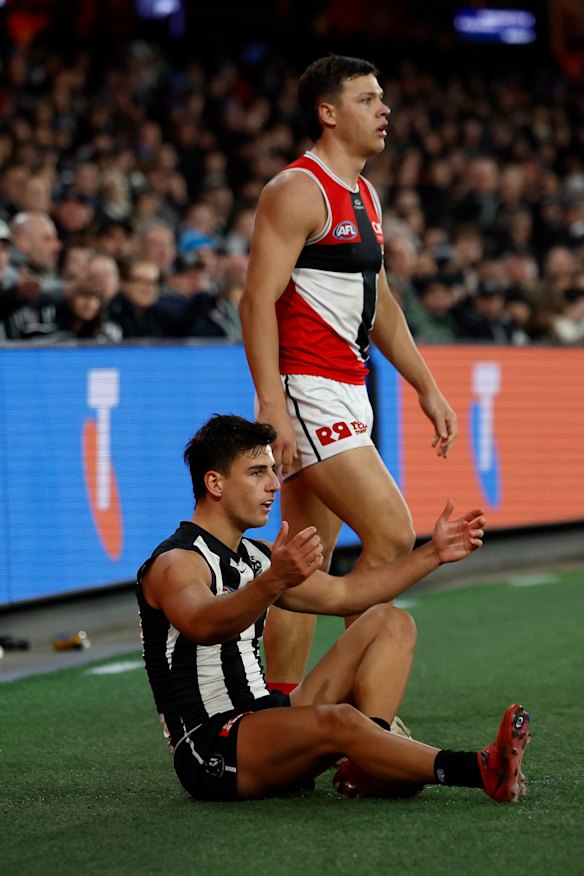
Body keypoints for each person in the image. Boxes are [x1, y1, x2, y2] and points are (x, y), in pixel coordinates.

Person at [136, 413, 530, 804]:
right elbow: (202, 624)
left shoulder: (255, 556)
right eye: (257, 472)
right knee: (339, 718)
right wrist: (275, 581)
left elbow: (346, 595)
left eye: (273, 471)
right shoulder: (177, 562)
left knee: (388, 621)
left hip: (265, 715)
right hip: (212, 746)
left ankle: (369, 766)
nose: (274, 485)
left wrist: (433, 553)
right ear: (214, 483)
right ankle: (479, 769)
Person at [239, 55, 458, 689]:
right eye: (367, 99)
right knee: (392, 534)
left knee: (307, 557)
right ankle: (359, 707)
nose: (384, 109)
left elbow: (380, 300)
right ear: (327, 113)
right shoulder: (296, 189)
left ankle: (277, 714)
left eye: (382, 98)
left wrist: (425, 384)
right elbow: (256, 299)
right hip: (308, 390)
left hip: (346, 387)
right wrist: (271, 403)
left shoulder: (364, 194)